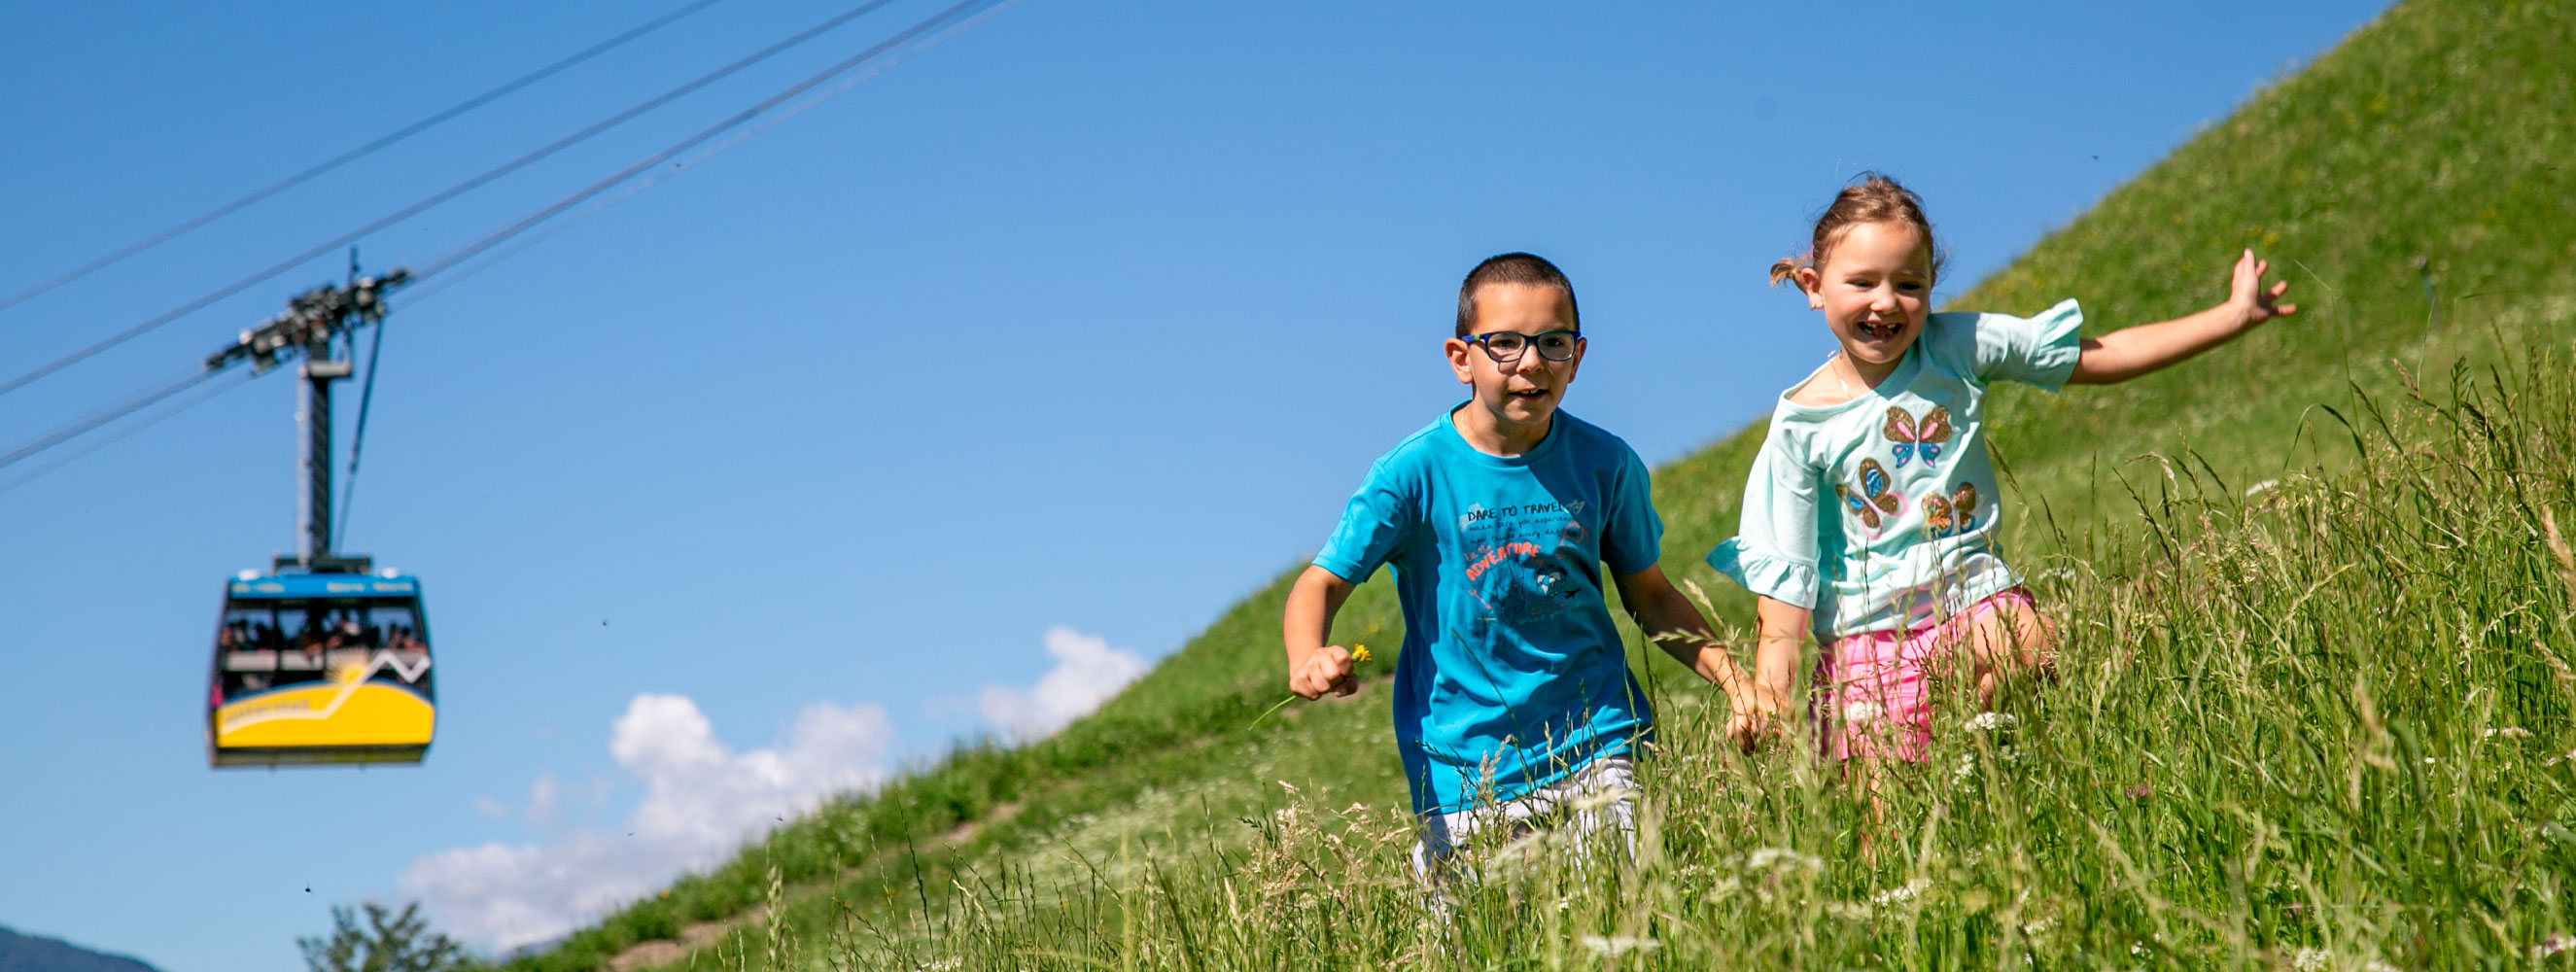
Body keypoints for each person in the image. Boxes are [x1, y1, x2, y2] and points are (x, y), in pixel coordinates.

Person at [1710, 174, 2297, 781]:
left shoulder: (1956, 349)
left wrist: (2230, 318)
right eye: (1862, 282)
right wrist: (1769, 694)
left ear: (1932, 288)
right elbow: (1786, 583)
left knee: (2030, 644)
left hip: (1972, 596)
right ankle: (1947, 789)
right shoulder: (1800, 422)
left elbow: (2095, 356)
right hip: (1865, 646)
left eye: (1908, 285)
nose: (1886, 302)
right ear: (1814, 287)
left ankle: (1981, 757)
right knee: (1886, 839)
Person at [1281, 252, 1778, 881]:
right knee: (1475, 944)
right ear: (1461, 357)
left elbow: (1649, 595)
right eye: (1505, 344)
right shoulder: (1411, 475)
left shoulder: (1604, 463)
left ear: (1579, 354)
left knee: (1618, 921)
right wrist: (1308, 654)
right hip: (1465, 769)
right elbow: (1320, 583)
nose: (1532, 362)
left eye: (1553, 342)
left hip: (1598, 741)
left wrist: (1737, 684)